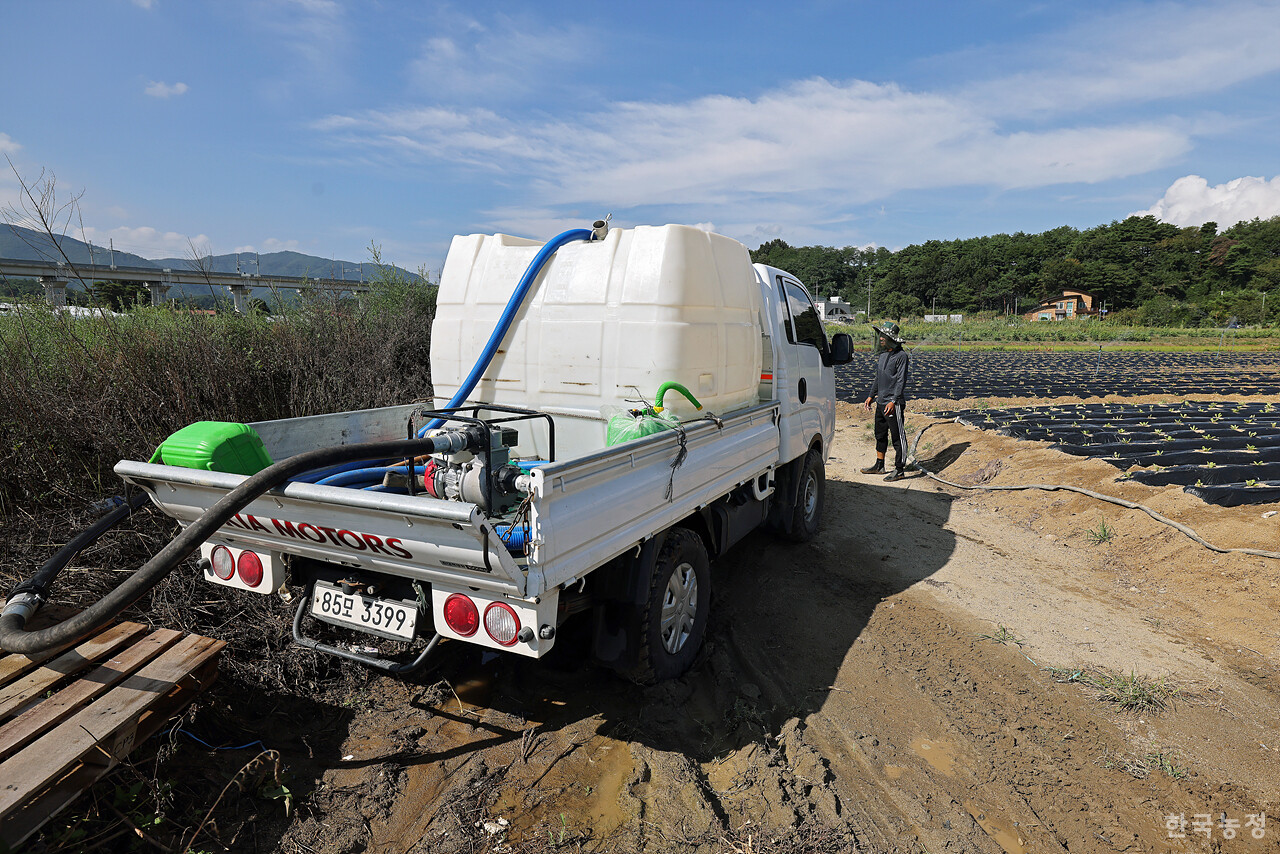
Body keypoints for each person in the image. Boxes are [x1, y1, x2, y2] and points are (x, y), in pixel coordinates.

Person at [861, 321, 911, 482]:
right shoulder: (883, 356)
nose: (881, 338)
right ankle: (879, 465)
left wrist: (894, 400)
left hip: (892, 404)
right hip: (881, 402)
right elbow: (878, 377)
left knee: (897, 437)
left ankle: (899, 469)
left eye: (884, 336)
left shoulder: (901, 356)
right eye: (880, 336)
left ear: (892, 338)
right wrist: (871, 395)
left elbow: (901, 380)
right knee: (880, 434)